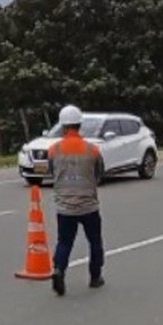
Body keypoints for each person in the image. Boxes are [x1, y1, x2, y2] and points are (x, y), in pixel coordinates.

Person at [48, 104, 106, 296]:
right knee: (95, 242)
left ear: (63, 126)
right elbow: (98, 175)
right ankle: (95, 277)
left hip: (65, 207)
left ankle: (59, 270)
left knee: (64, 242)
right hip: (89, 206)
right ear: (80, 125)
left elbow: (51, 172)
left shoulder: (53, 150)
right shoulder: (93, 150)